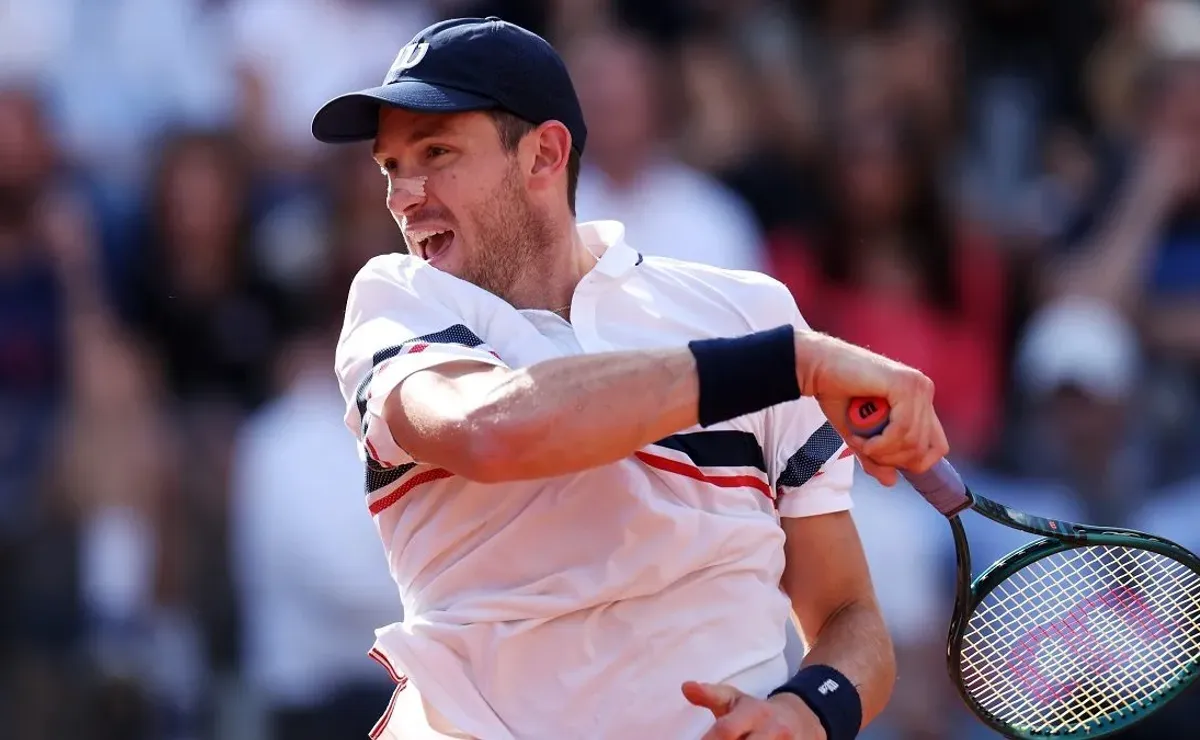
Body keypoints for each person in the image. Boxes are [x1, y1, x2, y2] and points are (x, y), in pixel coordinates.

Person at [311, 16, 949, 740]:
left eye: (435, 153)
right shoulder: (395, 302)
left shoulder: (747, 314)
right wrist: (793, 364)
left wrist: (804, 712)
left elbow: (847, 616)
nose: (402, 195)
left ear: (544, 154)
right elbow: (497, 431)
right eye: (391, 166)